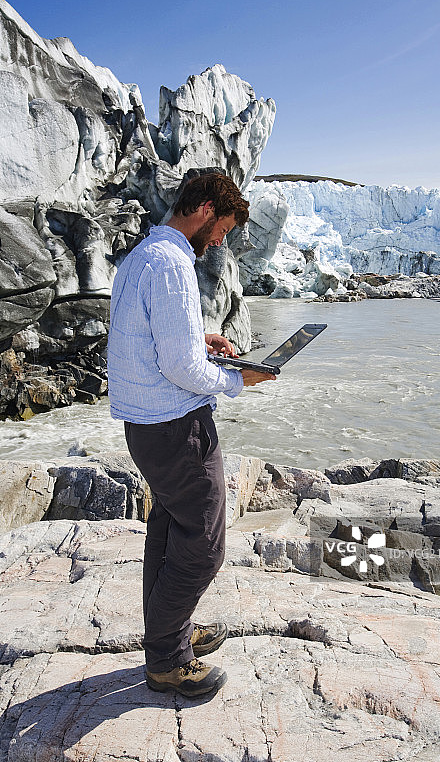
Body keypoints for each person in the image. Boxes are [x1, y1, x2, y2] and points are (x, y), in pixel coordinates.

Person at [107, 172, 276, 698]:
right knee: (203, 547)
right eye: (223, 229)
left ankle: (168, 633)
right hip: (177, 429)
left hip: (146, 426)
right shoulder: (174, 263)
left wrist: (198, 338)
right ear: (204, 210)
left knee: (169, 531)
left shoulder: (142, 256)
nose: (221, 241)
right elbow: (181, 367)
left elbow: (144, 335)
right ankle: (167, 661)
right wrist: (236, 379)